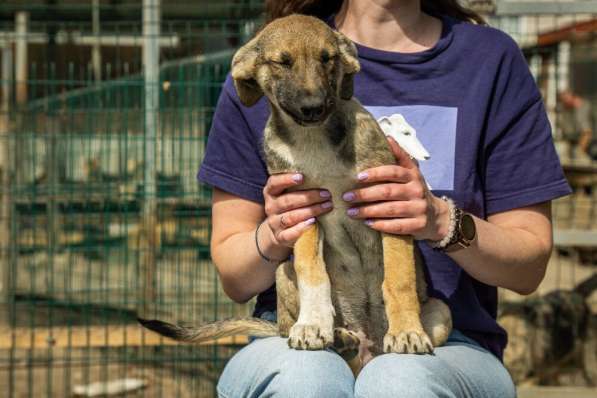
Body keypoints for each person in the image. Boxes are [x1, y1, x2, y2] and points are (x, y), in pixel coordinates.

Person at [197, 0, 571, 397]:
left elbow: (528, 268)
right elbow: (235, 279)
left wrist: (440, 221)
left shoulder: (490, 60)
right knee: (304, 381)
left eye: (325, 62)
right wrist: (278, 231)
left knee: (399, 381)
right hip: (303, 333)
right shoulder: (271, 60)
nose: (310, 87)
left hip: (446, 336)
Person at [558, 89, 594, 162]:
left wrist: (579, 152)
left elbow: (587, 133)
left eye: (565, 99)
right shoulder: (567, 110)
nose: (564, 103)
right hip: (574, 143)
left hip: (589, 146)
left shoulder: (582, 109)